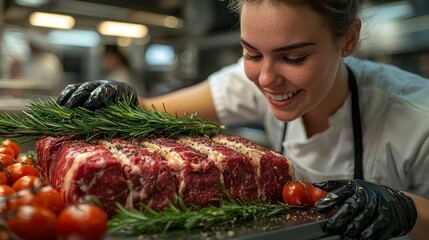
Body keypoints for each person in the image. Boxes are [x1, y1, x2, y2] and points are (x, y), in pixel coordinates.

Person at [56, 0, 429, 239]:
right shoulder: (251, 80)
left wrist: (406, 207)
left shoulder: (418, 116)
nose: (266, 78)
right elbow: (152, 110)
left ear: (348, 39)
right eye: (252, 53)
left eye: (294, 58)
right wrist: (122, 100)